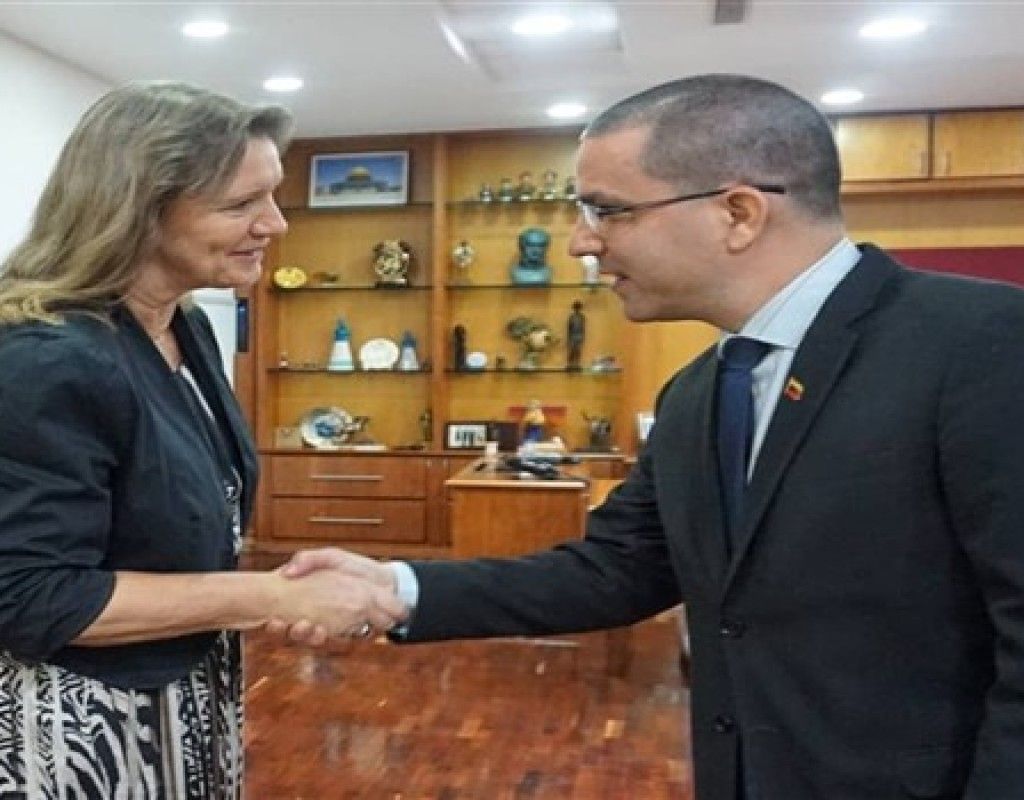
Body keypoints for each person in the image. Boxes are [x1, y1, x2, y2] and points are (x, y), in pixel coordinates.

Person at [281, 74, 1024, 799]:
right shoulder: (698, 391)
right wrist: (396, 588)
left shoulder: (985, 344)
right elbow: (620, 569)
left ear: (738, 213)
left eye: (609, 211)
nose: (581, 242)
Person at [0, 81, 406, 798]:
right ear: (140, 209)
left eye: (273, 195)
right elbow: (32, 595)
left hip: (181, 697)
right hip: (76, 734)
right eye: (241, 204)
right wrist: (270, 596)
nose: (275, 224)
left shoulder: (186, 327)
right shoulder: (46, 359)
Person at [566, 299, 586, 369]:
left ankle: (577, 364)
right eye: (576, 308)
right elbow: (569, 328)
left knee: (578, 350)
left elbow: (583, 327)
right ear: (574, 308)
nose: (577, 309)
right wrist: (568, 338)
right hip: (572, 335)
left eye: (578, 308)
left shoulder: (582, 317)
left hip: (579, 335)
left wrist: (583, 336)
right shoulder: (571, 317)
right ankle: (569, 364)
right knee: (572, 350)